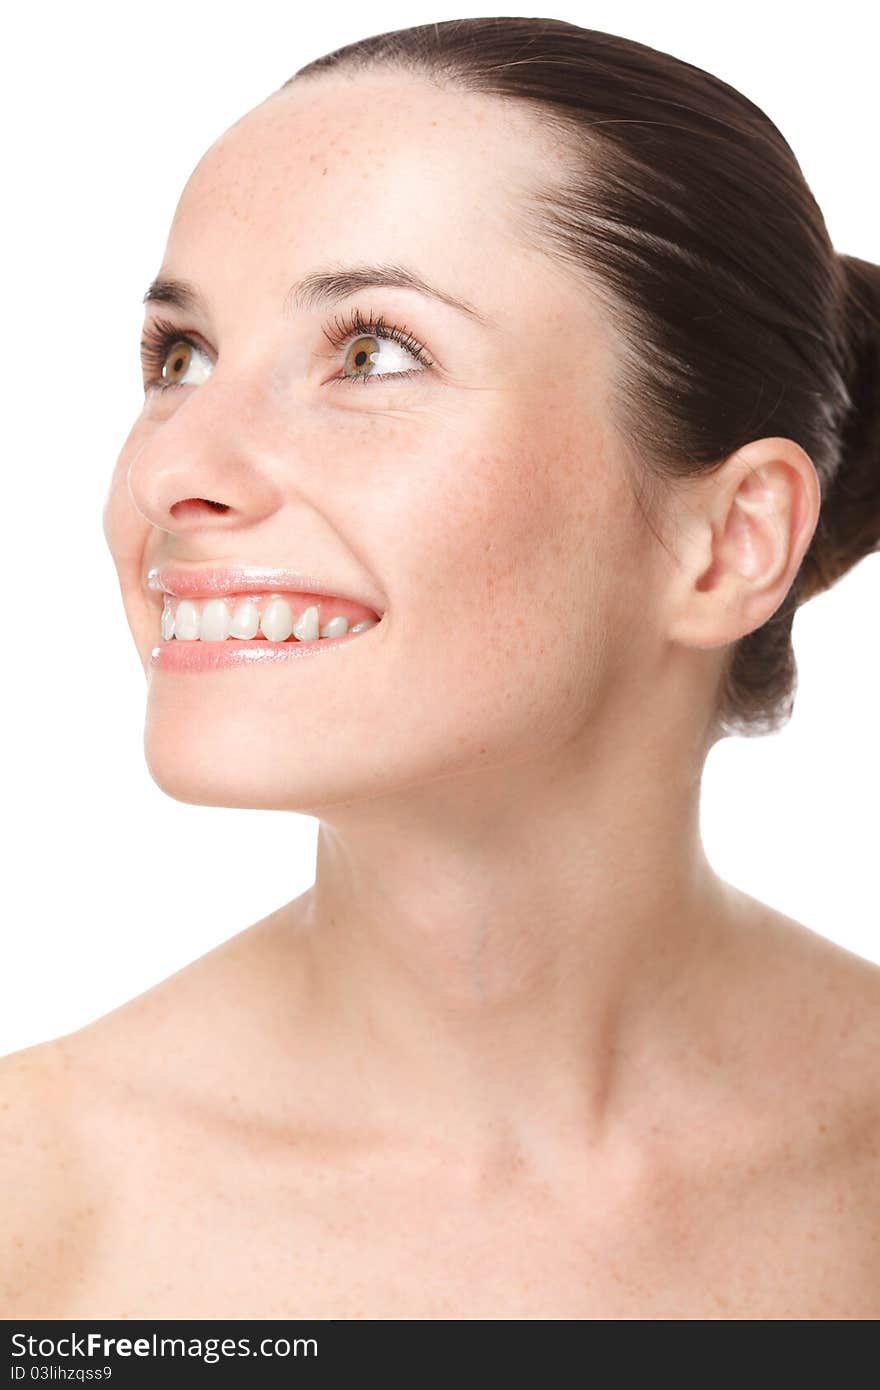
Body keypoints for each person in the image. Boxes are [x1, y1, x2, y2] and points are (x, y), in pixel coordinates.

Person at [2, 16, 879, 1320]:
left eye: (372, 352)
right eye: (177, 358)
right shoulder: (40, 1206)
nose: (172, 469)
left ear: (727, 541)